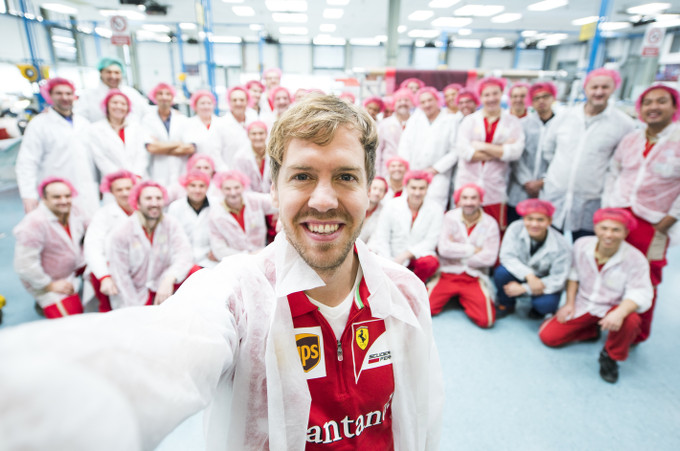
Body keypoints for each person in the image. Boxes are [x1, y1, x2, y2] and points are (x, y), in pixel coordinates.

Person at [0, 96, 442, 450]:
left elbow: (420, 414)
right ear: (272, 188)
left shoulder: (402, 293)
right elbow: (159, 351)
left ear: (371, 187)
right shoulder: (238, 295)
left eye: (346, 177)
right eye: (303, 176)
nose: (324, 200)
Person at [602, 83, 680, 343]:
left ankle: (637, 331)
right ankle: (604, 317)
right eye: (647, 103)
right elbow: (614, 173)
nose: (653, 107)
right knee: (612, 265)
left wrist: (672, 216)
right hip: (621, 215)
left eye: (661, 102)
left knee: (649, 274)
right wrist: (610, 207)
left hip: (657, 222)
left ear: (674, 106)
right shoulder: (631, 139)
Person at [538, 208, 653, 383]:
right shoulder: (581, 245)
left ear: (626, 232)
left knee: (631, 320)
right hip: (585, 303)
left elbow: (640, 293)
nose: (609, 234)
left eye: (616, 230)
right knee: (548, 337)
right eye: (604, 228)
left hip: (613, 308)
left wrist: (619, 312)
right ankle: (591, 331)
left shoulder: (636, 259)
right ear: (595, 228)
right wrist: (569, 303)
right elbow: (573, 275)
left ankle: (611, 356)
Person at [540, 68, 635, 240]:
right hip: (556, 194)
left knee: (586, 247)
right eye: (594, 87)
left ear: (614, 88)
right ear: (585, 88)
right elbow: (548, 150)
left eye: (605, 87)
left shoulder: (623, 124)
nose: (599, 92)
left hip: (592, 200)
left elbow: (621, 164)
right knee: (551, 247)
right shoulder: (564, 118)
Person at [106, 180, 194, 308]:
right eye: (148, 198)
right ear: (137, 202)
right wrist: (135, 310)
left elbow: (184, 254)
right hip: (136, 294)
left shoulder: (171, 223)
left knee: (194, 271)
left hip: (163, 285)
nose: (154, 203)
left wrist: (169, 278)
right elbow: (121, 276)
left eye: (158, 198)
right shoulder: (122, 232)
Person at [16, 77, 96, 213]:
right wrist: (28, 195)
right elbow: (27, 161)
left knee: (90, 230)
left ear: (74, 96)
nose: (64, 97)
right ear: (50, 96)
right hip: (56, 193)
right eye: (59, 93)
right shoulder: (39, 124)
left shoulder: (84, 123)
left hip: (87, 191)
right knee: (60, 231)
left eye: (68, 93)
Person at [455, 77, 525, 233]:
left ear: (502, 94)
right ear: (480, 97)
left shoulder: (513, 122)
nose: (491, 98)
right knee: (463, 228)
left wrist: (481, 146)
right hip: (467, 182)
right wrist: (500, 150)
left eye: (495, 93)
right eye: (487, 95)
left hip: (495, 186)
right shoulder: (469, 121)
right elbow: (464, 151)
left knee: (493, 230)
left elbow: (515, 152)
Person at [13, 177, 87, 318]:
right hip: (50, 281)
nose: (64, 201)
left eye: (67, 196)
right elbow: (23, 265)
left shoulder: (75, 211)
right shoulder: (33, 224)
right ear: (44, 199)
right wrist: (49, 285)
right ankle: (45, 301)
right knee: (74, 322)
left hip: (73, 267)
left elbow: (93, 230)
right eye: (57, 197)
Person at [429, 184, 500, 328]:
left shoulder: (490, 223)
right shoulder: (450, 217)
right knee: (424, 310)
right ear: (458, 200)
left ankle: (461, 298)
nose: (469, 202)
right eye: (465, 198)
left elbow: (490, 258)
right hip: (448, 273)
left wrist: (455, 251)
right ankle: (456, 297)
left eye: (474, 198)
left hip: (474, 276)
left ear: (481, 200)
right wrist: (473, 250)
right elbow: (443, 249)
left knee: (486, 321)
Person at [494, 199, 571, 319]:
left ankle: (537, 310)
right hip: (522, 273)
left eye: (540, 220)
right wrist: (529, 276)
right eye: (529, 219)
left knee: (546, 305)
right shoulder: (515, 228)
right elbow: (507, 257)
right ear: (524, 219)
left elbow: (558, 279)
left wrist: (524, 288)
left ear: (549, 221)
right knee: (501, 273)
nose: (534, 224)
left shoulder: (561, 245)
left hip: (544, 281)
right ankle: (507, 304)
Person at [369, 170, 443, 283]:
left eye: (421, 188)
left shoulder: (436, 209)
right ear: (406, 187)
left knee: (430, 262)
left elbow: (431, 241)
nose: (417, 193)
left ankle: (414, 286)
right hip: (391, 253)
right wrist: (390, 262)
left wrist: (406, 255)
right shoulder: (392, 205)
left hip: (416, 255)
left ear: (427, 188)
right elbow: (382, 236)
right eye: (413, 188)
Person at [84, 171, 136, 312]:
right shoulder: (103, 215)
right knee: (112, 313)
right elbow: (92, 247)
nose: (125, 193)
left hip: (138, 270)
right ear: (111, 192)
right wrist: (104, 276)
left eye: (128, 188)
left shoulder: (144, 210)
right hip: (109, 271)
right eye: (119, 189)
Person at [398, 87, 459, 209]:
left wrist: (435, 169)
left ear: (438, 100)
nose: (427, 104)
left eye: (430, 100)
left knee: (434, 209)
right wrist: (408, 168)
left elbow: (455, 150)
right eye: (423, 102)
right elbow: (404, 144)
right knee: (409, 208)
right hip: (414, 172)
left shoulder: (451, 120)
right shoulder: (415, 119)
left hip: (438, 175)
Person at [507, 82, 559, 223]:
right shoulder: (522, 125)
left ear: (553, 98)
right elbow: (517, 158)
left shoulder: (561, 126)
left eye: (545, 96)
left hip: (548, 187)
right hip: (521, 187)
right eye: (536, 98)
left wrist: (543, 181)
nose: (541, 101)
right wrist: (527, 181)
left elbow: (562, 159)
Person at [208, 170, 276, 259]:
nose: (233, 193)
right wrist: (248, 256)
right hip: (237, 262)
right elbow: (219, 250)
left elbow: (280, 203)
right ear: (220, 189)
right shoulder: (215, 215)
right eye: (227, 189)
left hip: (263, 256)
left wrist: (281, 220)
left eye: (237, 187)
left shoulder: (255, 200)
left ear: (243, 186)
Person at [141, 82, 196, 188]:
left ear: (172, 97)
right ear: (154, 97)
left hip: (180, 171)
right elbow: (151, 148)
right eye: (160, 94)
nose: (164, 97)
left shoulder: (182, 119)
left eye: (168, 94)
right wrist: (178, 144)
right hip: (158, 172)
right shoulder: (147, 120)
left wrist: (161, 146)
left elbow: (189, 148)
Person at [86, 89, 147, 178]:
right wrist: (119, 178)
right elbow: (100, 158)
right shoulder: (95, 129)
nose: (119, 106)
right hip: (113, 181)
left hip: (137, 178)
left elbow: (142, 154)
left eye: (123, 104)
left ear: (128, 108)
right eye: (114, 103)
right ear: (106, 106)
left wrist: (137, 175)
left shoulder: (136, 127)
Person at [168, 170, 219, 269]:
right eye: (193, 185)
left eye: (201, 186)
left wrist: (218, 251)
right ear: (186, 187)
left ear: (207, 187)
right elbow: (171, 236)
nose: (197, 190)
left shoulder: (217, 205)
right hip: (183, 261)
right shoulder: (175, 207)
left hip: (211, 261)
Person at [74, 57, 149, 123]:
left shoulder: (131, 93)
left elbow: (146, 113)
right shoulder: (88, 95)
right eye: (108, 72)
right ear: (101, 73)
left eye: (117, 73)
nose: (113, 76)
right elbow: (79, 119)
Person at [376, 89, 414, 178]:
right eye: (399, 100)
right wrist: (376, 173)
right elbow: (377, 150)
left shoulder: (417, 123)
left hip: (410, 169)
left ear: (412, 103)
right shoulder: (384, 124)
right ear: (394, 104)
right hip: (387, 170)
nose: (403, 103)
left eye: (406, 100)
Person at [232, 121, 272, 194]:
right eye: (254, 134)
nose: (258, 137)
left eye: (261, 133)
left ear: (266, 134)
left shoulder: (274, 155)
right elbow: (243, 184)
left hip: (273, 199)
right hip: (251, 200)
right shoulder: (240, 157)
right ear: (248, 135)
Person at [359, 176, 388, 243]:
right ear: (368, 189)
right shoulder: (356, 205)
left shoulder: (383, 212)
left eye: (381, 190)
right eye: (374, 188)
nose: (377, 193)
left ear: (384, 194)